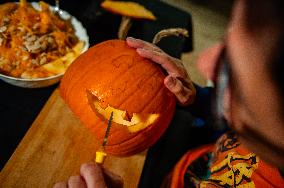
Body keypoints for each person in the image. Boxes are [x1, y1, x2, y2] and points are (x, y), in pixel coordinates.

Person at [54, 0, 284, 187]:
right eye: (226, 38)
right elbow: (231, 128)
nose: (203, 64)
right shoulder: (267, 132)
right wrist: (201, 101)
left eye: (231, 68)